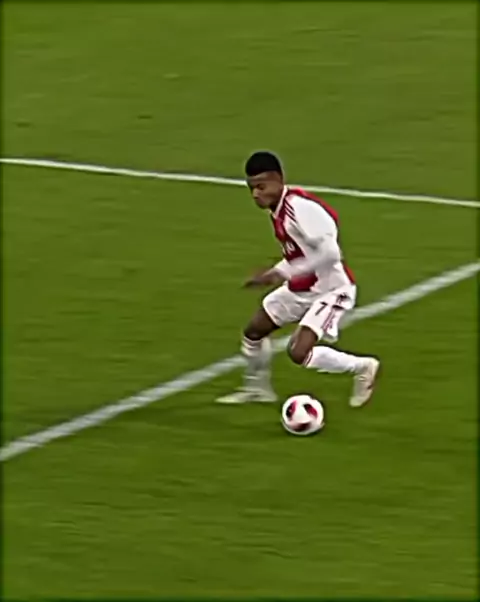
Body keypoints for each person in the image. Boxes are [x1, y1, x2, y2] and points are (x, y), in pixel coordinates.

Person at [216, 151, 379, 407]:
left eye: (261, 186)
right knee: (254, 331)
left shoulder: (301, 209)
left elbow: (331, 253)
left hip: (332, 291)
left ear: (278, 180)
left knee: (298, 352)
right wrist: (273, 274)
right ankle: (257, 389)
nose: (255, 194)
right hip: (302, 289)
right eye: (251, 188)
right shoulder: (278, 210)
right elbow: (300, 254)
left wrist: (284, 273)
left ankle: (362, 367)